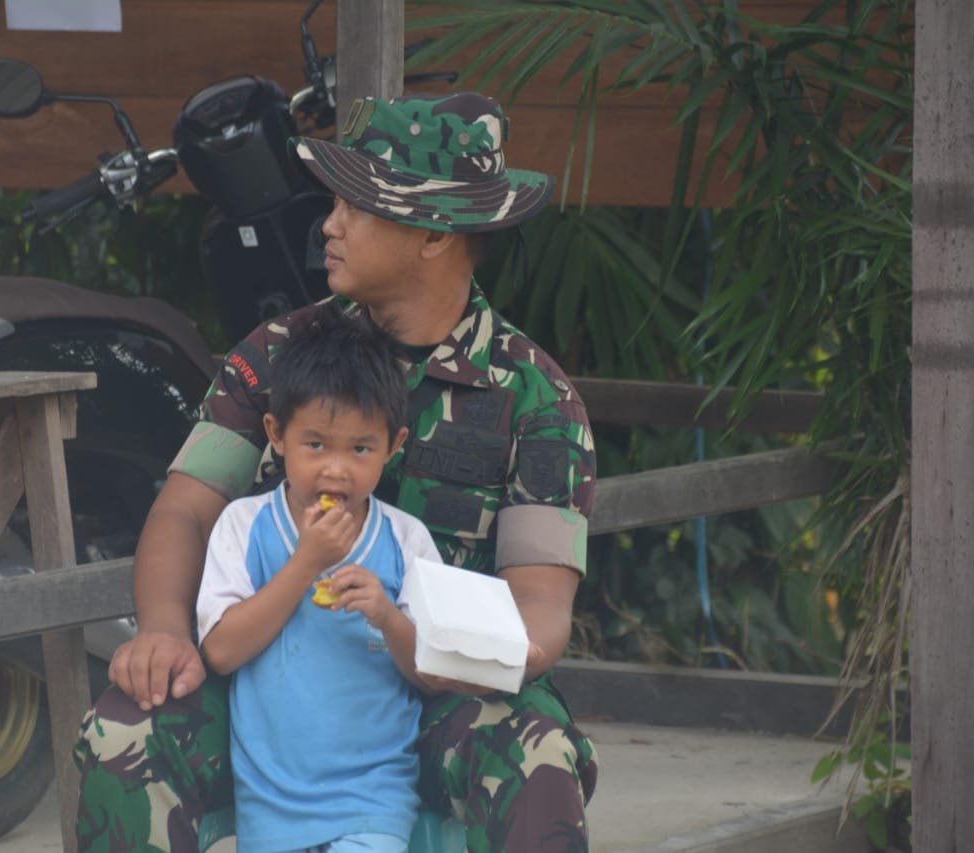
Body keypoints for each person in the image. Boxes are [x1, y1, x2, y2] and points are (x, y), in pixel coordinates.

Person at [75, 91, 600, 853]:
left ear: (432, 234)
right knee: (125, 727)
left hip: (443, 693)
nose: (329, 225)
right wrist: (162, 632)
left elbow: (541, 615)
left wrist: (424, 649)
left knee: (539, 756)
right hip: (273, 682)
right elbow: (186, 509)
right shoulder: (280, 353)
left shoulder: (536, 399)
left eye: (357, 206)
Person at [197, 307, 440, 851]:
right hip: (270, 807)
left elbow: (433, 672)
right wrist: (304, 564)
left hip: (373, 801)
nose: (336, 469)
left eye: (360, 448)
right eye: (315, 445)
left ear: (393, 446)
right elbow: (222, 651)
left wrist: (387, 615)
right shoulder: (246, 526)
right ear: (276, 436)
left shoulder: (406, 540)